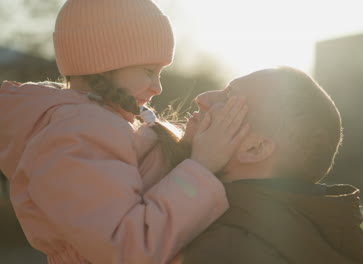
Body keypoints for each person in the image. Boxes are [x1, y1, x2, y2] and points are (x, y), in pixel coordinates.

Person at [0, 0, 249, 263]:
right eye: (149, 71)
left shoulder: (99, 125)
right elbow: (128, 248)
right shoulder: (79, 132)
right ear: (103, 61)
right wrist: (202, 166)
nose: (158, 88)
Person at [141, 66, 363, 263]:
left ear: (255, 149)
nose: (202, 97)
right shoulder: (320, 235)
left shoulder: (224, 251)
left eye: (229, 97)